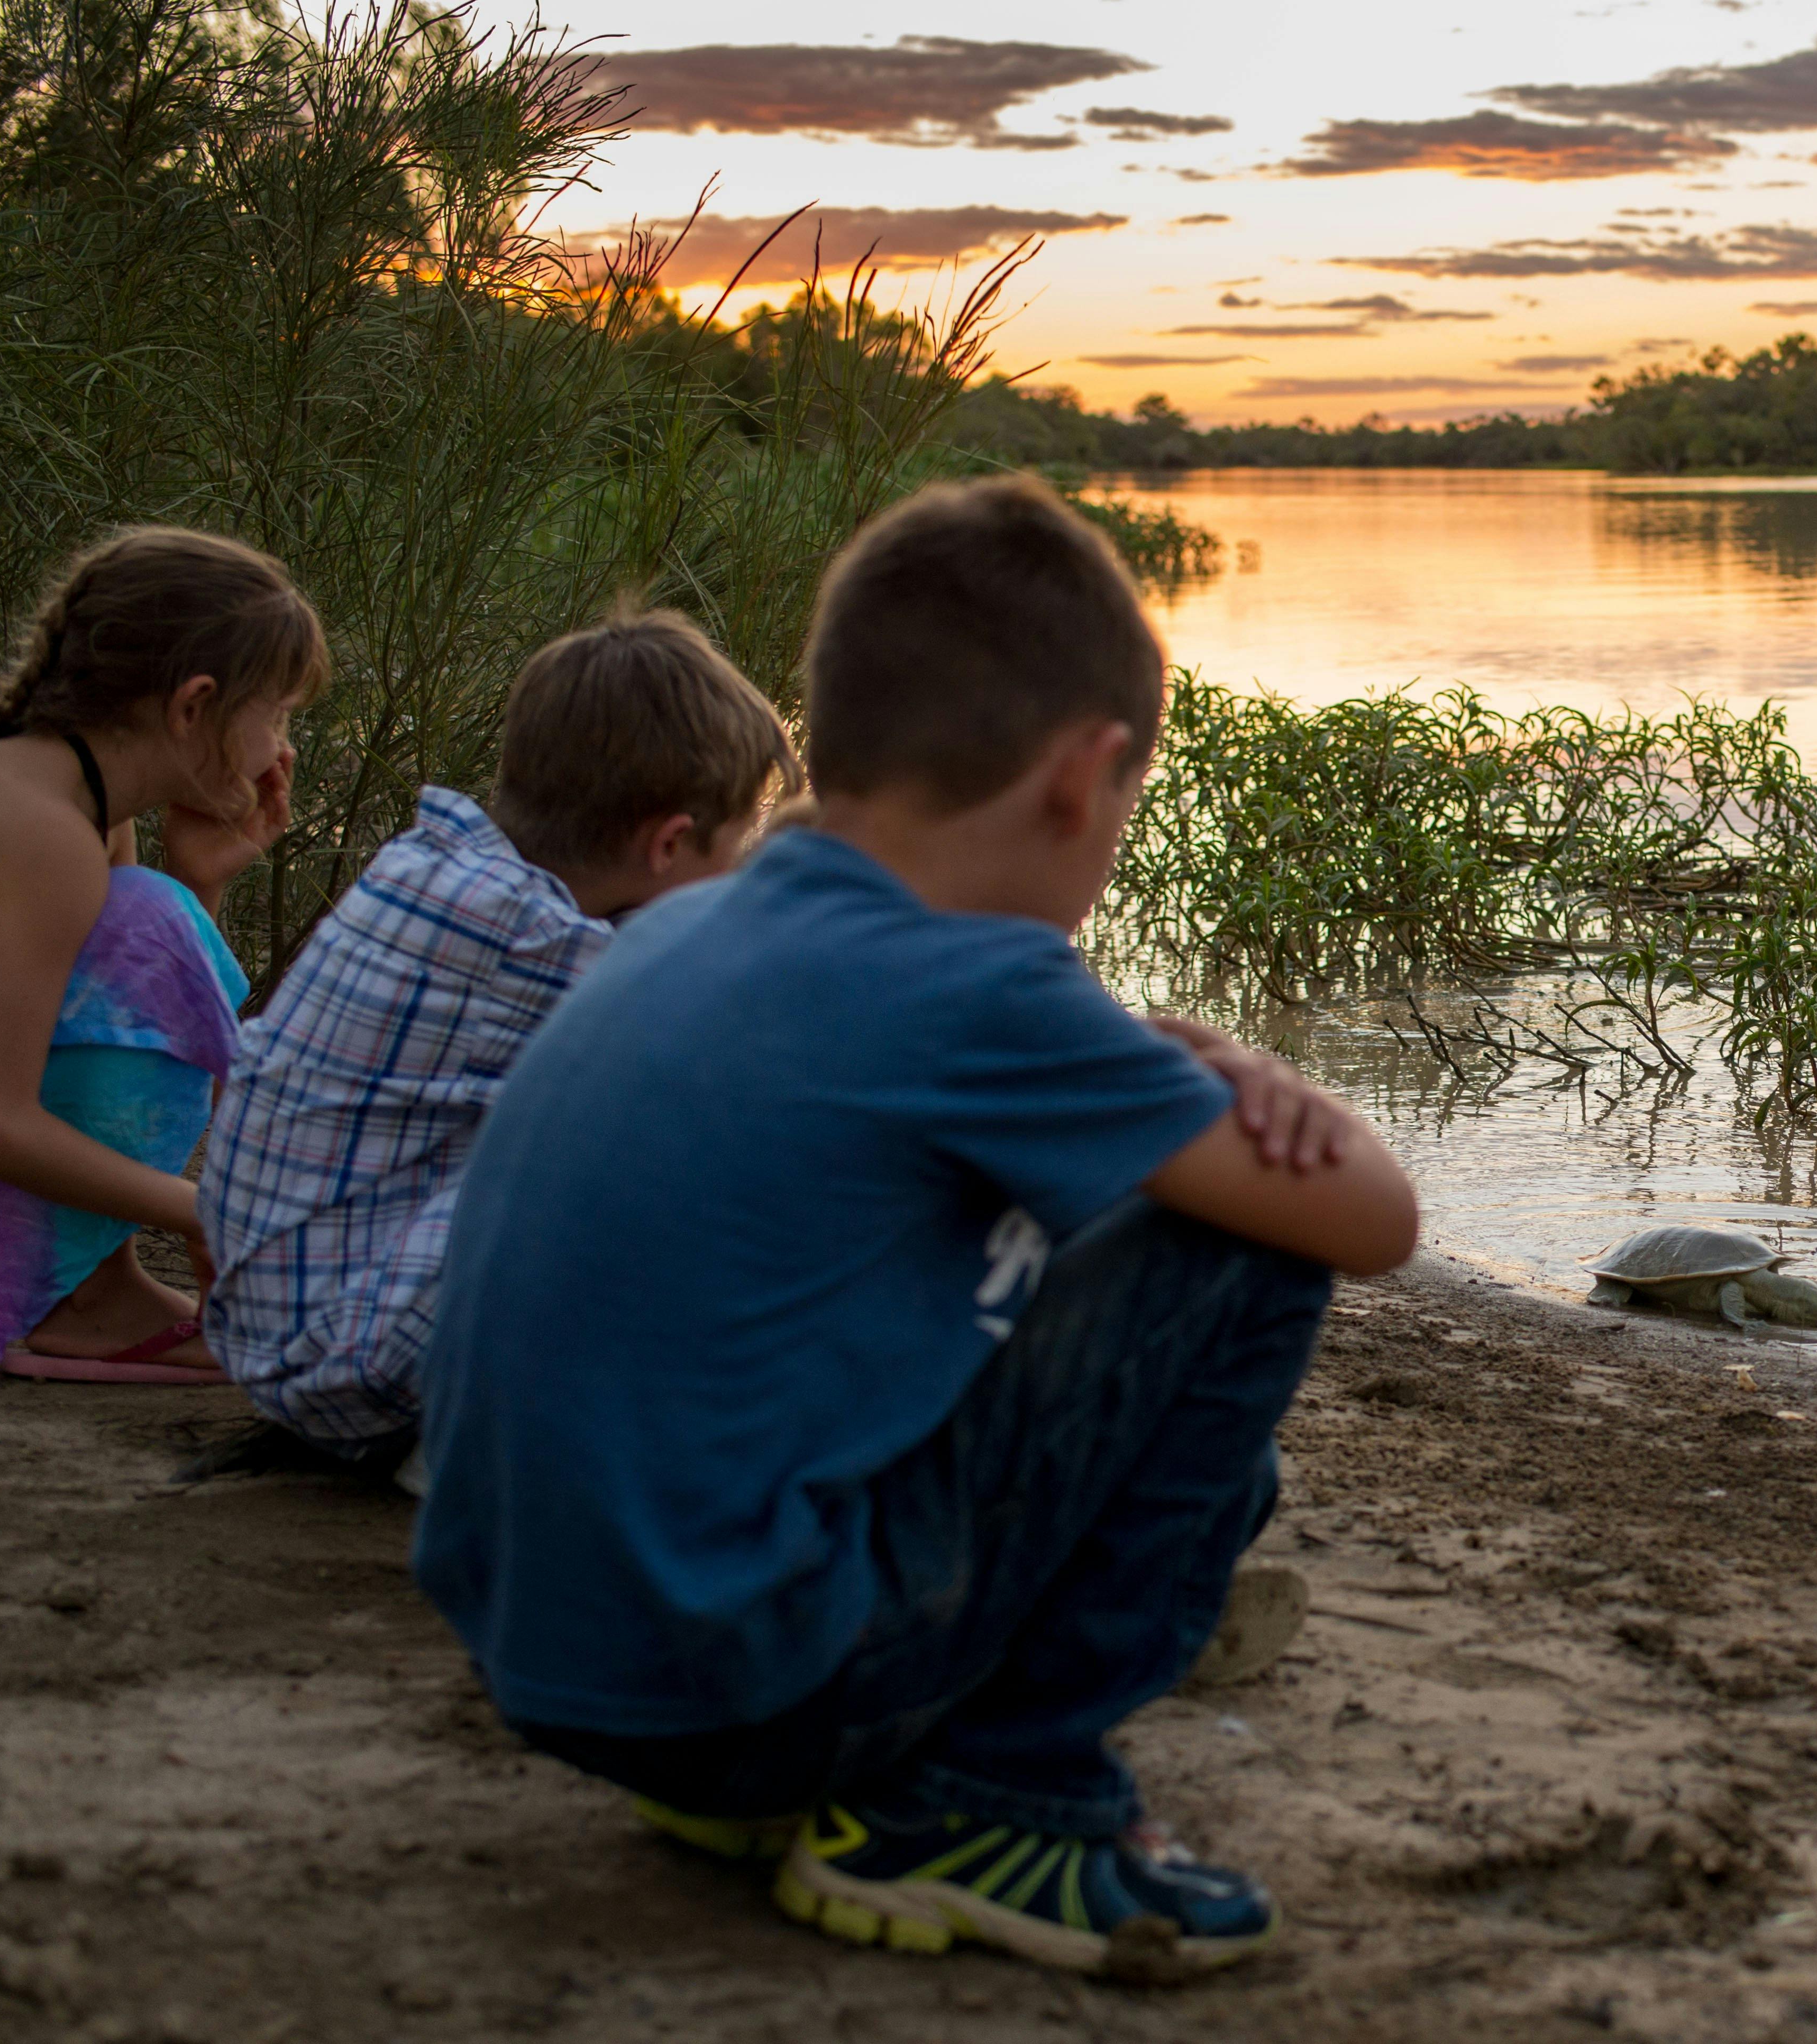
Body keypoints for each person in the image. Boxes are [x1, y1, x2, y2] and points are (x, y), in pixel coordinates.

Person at [413, 474, 1419, 1977]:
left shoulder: (695, 919)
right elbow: (1373, 1220)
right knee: (1243, 1249)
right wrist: (1239, 1068)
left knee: (1127, 1269)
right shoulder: (970, 983)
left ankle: (789, 1784)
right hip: (734, 1694)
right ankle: (983, 1797)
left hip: (560, 1667)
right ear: (1083, 778)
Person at [197, 610, 794, 1468]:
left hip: (292, 1328)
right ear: (669, 843)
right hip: (343, 1368)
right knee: (665, 1137)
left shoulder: (432, 868)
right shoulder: (538, 941)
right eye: (737, 848)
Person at [0, 527, 315, 1378]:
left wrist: (199, 881)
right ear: (194, 706)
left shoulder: (70, 800)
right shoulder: (49, 835)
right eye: (278, 715)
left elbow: (125, 1028)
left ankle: (96, 1290)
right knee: (147, 920)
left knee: (148, 918)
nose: (281, 752)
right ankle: (83, 1303)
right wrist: (212, 1211)